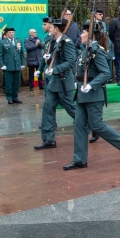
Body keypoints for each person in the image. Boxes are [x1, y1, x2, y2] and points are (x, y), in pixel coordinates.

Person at [63, 21, 120, 170]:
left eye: (83, 32)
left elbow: (106, 73)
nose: (80, 35)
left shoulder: (97, 51)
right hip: (82, 94)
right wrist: (78, 82)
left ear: (90, 34)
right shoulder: (85, 50)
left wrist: (91, 85)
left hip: (94, 95)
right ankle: (79, 159)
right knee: (79, 126)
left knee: (97, 125)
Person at [34, 18, 77, 150]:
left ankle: (93, 127)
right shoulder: (52, 42)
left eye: (51, 28)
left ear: (57, 29)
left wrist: (55, 69)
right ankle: (48, 139)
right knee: (48, 109)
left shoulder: (66, 43)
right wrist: (43, 67)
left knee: (72, 110)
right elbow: (50, 58)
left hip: (64, 82)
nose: (49, 30)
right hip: (54, 83)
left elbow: (71, 61)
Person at [0, 27, 26, 104]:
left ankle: (15, 97)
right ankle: (9, 97)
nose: (11, 34)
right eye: (10, 32)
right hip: (8, 66)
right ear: (6, 34)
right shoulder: (2, 42)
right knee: (9, 83)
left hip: (17, 65)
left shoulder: (18, 41)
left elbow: (21, 53)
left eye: (13, 32)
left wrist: (23, 63)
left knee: (17, 82)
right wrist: (2, 65)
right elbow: (0, 55)